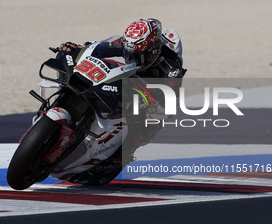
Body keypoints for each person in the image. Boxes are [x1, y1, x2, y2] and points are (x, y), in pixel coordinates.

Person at [57, 18, 186, 183]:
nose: (130, 56)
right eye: (128, 52)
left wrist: (151, 105)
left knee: (153, 120)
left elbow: (169, 102)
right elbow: (99, 47)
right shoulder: (129, 43)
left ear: (152, 52)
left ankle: (125, 151)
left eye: (136, 56)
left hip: (156, 91)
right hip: (129, 77)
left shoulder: (171, 70)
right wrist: (79, 49)